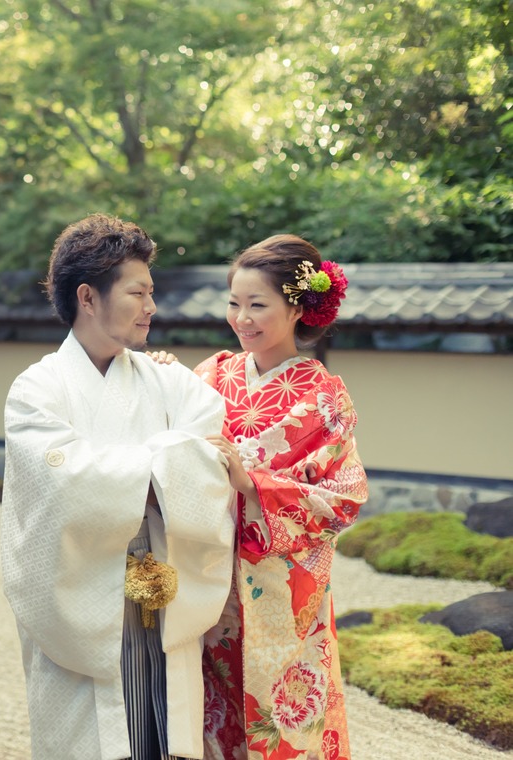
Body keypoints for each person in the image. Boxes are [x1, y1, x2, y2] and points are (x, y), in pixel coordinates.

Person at [0, 213, 237, 760]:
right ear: (88, 296)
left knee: (164, 732)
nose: (152, 307)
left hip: (164, 577)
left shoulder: (171, 380)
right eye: (138, 292)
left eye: (151, 292)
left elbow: (210, 457)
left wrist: (123, 472)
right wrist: (160, 469)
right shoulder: (37, 390)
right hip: (82, 589)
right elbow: (61, 485)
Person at [194, 235, 368, 760]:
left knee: (284, 714)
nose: (241, 318)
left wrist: (254, 483)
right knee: (207, 710)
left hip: (281, 584)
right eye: (234, 303)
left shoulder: (323, 396)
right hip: (210, 579)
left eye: (257, 305)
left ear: (297, 308)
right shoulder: (212, 374)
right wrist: (154, 374)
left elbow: (344, 496)